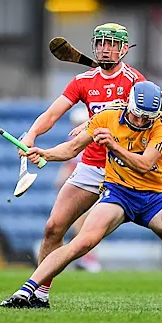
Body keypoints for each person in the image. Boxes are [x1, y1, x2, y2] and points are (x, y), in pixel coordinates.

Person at [20, 23, 162, 311]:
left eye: (111, 44)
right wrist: (32, 135)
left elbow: (149, 118)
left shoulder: (134, 80)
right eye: (101, 42)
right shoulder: (83, 81)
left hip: (129, 170)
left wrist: (99, 120)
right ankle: (39, 293)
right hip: (93, 164)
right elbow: (53, 113)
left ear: (123, 49)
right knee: (53, 227)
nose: (105, 48)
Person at [1, 81, 162, 310]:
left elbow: (144, 164)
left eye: (147, 119)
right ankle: (25, 291)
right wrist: (44, 153)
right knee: (83, 241)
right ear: (130, 104)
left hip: (154, 195)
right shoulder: (108, 117)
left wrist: (112, 145)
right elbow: (72, 148)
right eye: (138, 115)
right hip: (118, 193)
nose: (142, 122)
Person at [54, 106, 102, 272]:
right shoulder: (74, 140)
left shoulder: (96, 138)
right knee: (81, 224)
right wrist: (61, 179)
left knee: (89, 222)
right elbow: (70, 163)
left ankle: (88, 258)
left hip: (95, 183)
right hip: (82, 183)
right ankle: (85, 258)